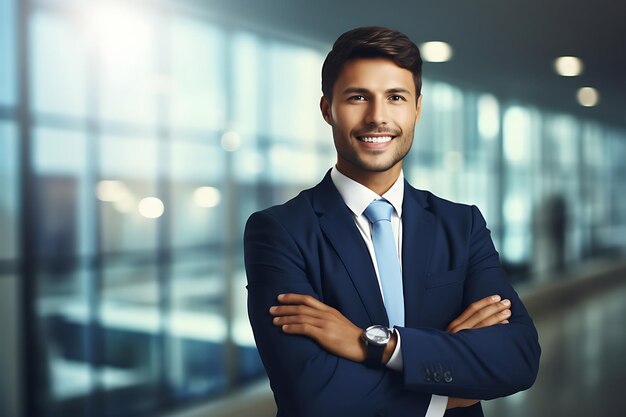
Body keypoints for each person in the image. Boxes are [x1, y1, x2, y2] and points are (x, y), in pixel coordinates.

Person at [244, 26, 540, 417]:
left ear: (417, 108)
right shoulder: (280, 231)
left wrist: (377, 344)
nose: (377, 117)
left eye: (395, 97)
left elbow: (517, 358)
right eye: (357, 97)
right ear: (327, 109)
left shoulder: (461, 225)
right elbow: (313, 395)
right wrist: (445, 389)